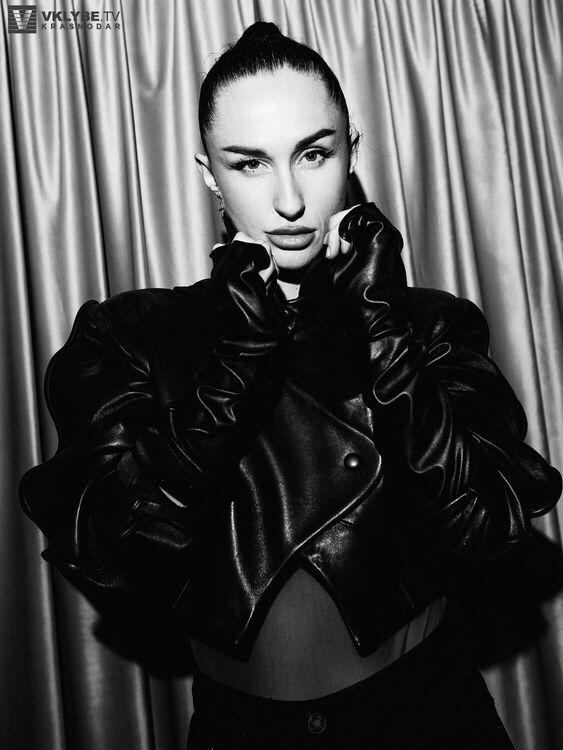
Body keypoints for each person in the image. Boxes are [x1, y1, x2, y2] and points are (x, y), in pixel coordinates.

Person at [19, 20, 562, 750]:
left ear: (351, 153)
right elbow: (113, 556)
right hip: (241, 732)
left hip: (429, 718)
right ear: (208, 173)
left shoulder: (428, 327)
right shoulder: (134, 335)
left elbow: (480, 535)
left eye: (313, 154)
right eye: (248, 163)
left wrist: (383, 331)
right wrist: (234, 371)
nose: (288, 200)